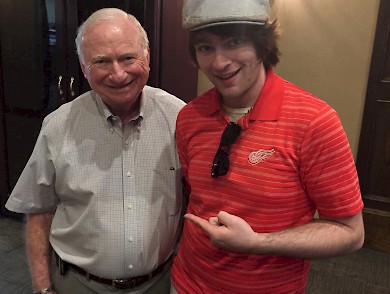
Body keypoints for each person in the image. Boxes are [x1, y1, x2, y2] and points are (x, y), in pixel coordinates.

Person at [170, 0, 365, 293]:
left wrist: (258, 243)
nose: (219, 62)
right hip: (186, 283)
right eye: (205, 47)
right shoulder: (188, 118)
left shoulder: (315, 122)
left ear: (262, 44)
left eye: (234, 41)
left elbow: (351, 233)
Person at [6, 8, 185, 294]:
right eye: (102, 61)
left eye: (128, 57)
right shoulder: (57, 127)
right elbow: (39, 211)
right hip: (79, 285)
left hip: (160, 283)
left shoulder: (180, 119)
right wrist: (42, 288)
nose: (118, 73)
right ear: (84, 66)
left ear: (147, 56)